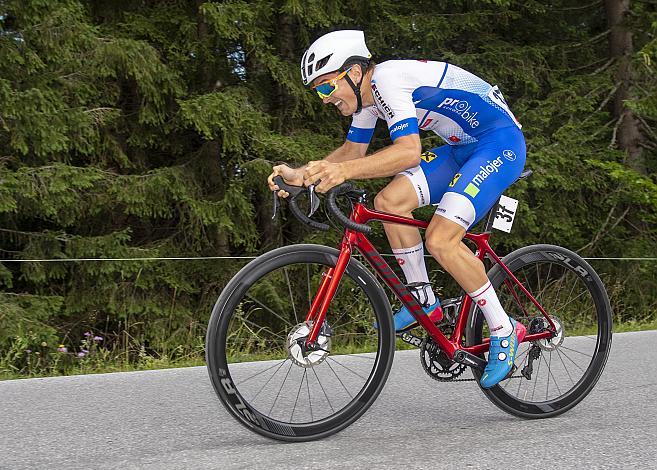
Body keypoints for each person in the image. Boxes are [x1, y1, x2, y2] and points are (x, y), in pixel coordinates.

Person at [267, 30, 526, 388]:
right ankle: (423, 297)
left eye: (327, 87)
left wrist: (339, 172)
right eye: (318, 91)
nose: (325, 99)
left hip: (498, 144)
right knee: (388, 202)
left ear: (355, 73)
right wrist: (303, 176)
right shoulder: (368, 99)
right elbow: (352, 153)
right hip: (462, 148)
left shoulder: (387, 80)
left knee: (441, 239)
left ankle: (503, 327)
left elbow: (407, 153)